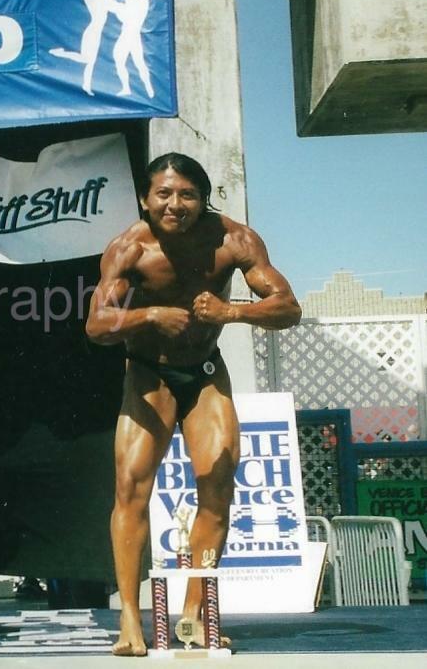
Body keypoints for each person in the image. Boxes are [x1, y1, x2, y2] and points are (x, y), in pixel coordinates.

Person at [85, 152, 301, 656]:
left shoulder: (234, 239)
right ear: (144, 198)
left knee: (218, 486)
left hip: (204, 374)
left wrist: (232, 310)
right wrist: (150, 315)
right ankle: (131, 622)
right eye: (163, 193)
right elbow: (96, 325)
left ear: (204, 200)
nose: (174, 204)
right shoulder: (129, 248)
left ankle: (191, 616)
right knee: (131, 489)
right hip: (148, 375)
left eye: (186, 194)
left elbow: (288, 307)